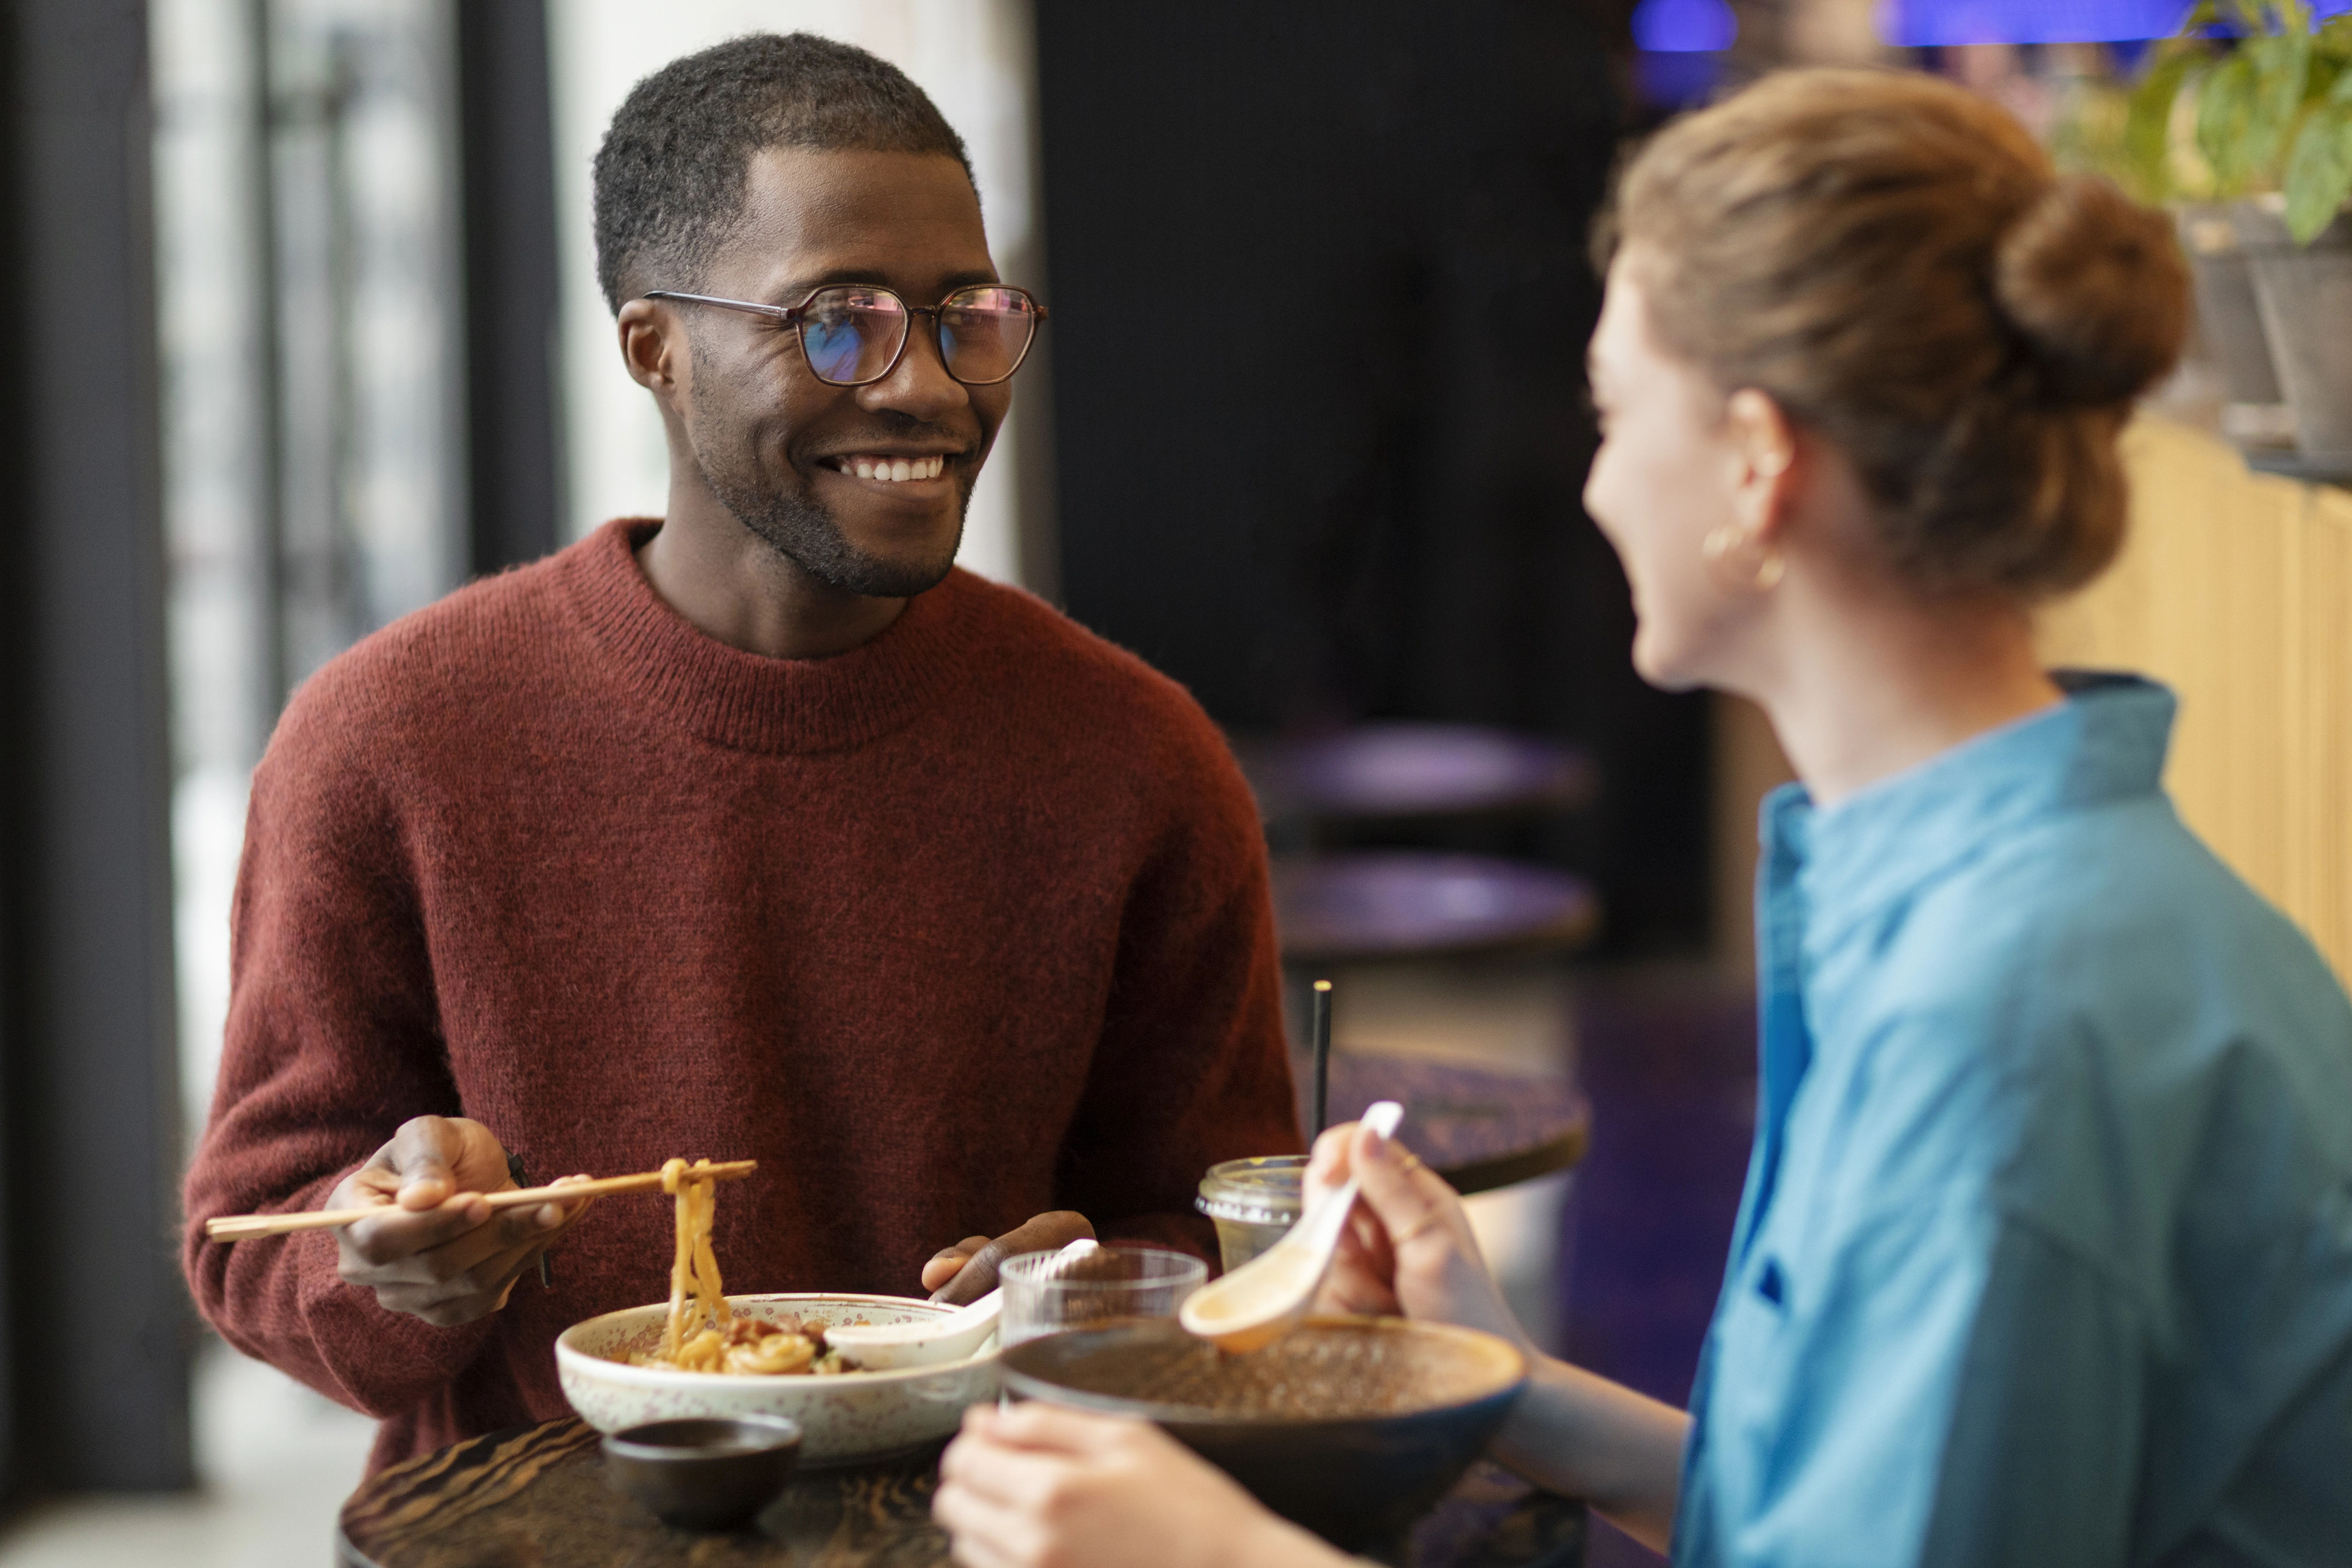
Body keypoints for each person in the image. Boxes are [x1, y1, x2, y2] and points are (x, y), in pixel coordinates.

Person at [933, 68, 2352, 1567]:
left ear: (1758, 459)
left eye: (1614, 412)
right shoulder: (2024, 903)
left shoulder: (2003, 1014)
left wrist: (1213, 1554)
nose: (1598, 485)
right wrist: (1503, 1382)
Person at [182, 32, 1301, 1473]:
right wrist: (385, 1256)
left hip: (989, 1520)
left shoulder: (1136, 758)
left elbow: (1226, 1225)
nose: (928, 389)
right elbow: (253, 1236)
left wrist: (1113, 1288)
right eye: (838, 321)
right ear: (655, 346)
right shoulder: (388, 738)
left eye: (965, 313)